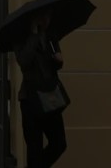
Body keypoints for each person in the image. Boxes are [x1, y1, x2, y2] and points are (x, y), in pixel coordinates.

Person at [16, 9, 68, 168]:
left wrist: (59, 60)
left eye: (48, 16)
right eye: (43, 17)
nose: (46, 19)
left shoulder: (51, 36)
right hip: (30, 98)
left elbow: (54, 65)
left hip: (50, 96)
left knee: (59, 143)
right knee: (34, 148)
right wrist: (33, 35)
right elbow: (24, 62)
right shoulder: (21, 37)